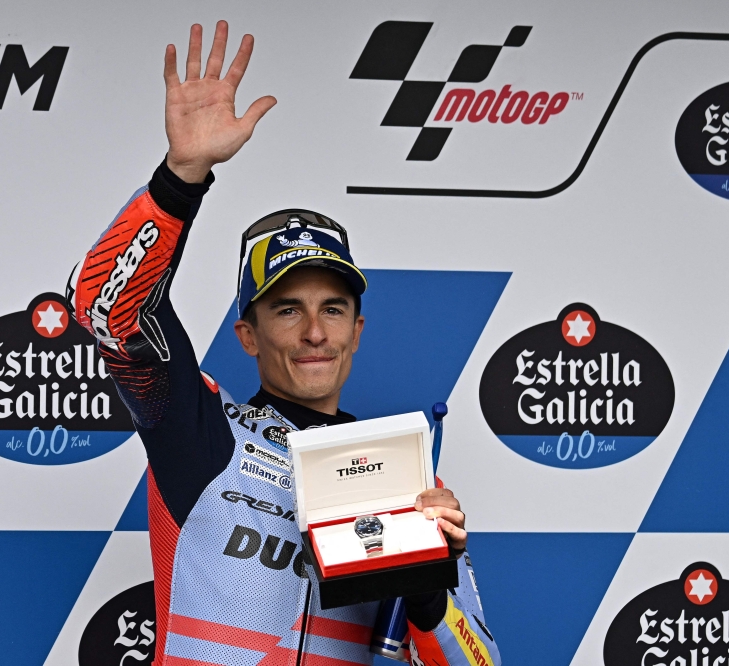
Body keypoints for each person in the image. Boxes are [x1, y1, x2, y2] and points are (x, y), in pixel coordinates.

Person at [66, 21, 500, 666]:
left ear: (357, 330)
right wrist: (182, 177)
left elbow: (481, 663)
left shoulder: (405, 480)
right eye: (287, 309)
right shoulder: (201, 432)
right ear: (247, 334)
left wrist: (429, 597)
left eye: (333, 309)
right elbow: (105, 310)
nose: (315, 332)